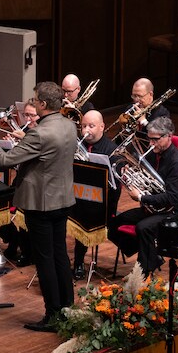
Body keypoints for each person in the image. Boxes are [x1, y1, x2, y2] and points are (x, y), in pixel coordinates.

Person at [0, 82, 76, 332]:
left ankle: (53, 315)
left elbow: (6, 160)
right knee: (60, 257)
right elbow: (50, 151)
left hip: (41, 205)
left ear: (43, 105)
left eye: (34, 100)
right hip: (63, 199)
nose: (32, 103)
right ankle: (68, 308)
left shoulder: (39, 133)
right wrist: (28, 139)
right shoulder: (68, 124)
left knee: (44, 260)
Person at [109, 117, 178, 275]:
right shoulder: (153, 154)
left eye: (155, 139)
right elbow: (141, 174)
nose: (151, 144)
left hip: (171, 213)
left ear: (168, 136)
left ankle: (144, 272)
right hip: (153, 208)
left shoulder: (177, 163)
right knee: (113, 224)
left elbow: (172, 198)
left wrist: (141, 198)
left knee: (143, 228)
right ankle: (152, 256)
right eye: (150, 139)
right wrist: (127, 171)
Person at [71, 110, 120, 279]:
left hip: (102, 201)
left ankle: (78, 263)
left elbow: (115, 186)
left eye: (91, 126)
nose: (86, 131)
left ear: (102, 127)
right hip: (78, 195)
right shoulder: (78, 145)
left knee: (84, 215)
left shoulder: (112, 150)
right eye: (83, 126)